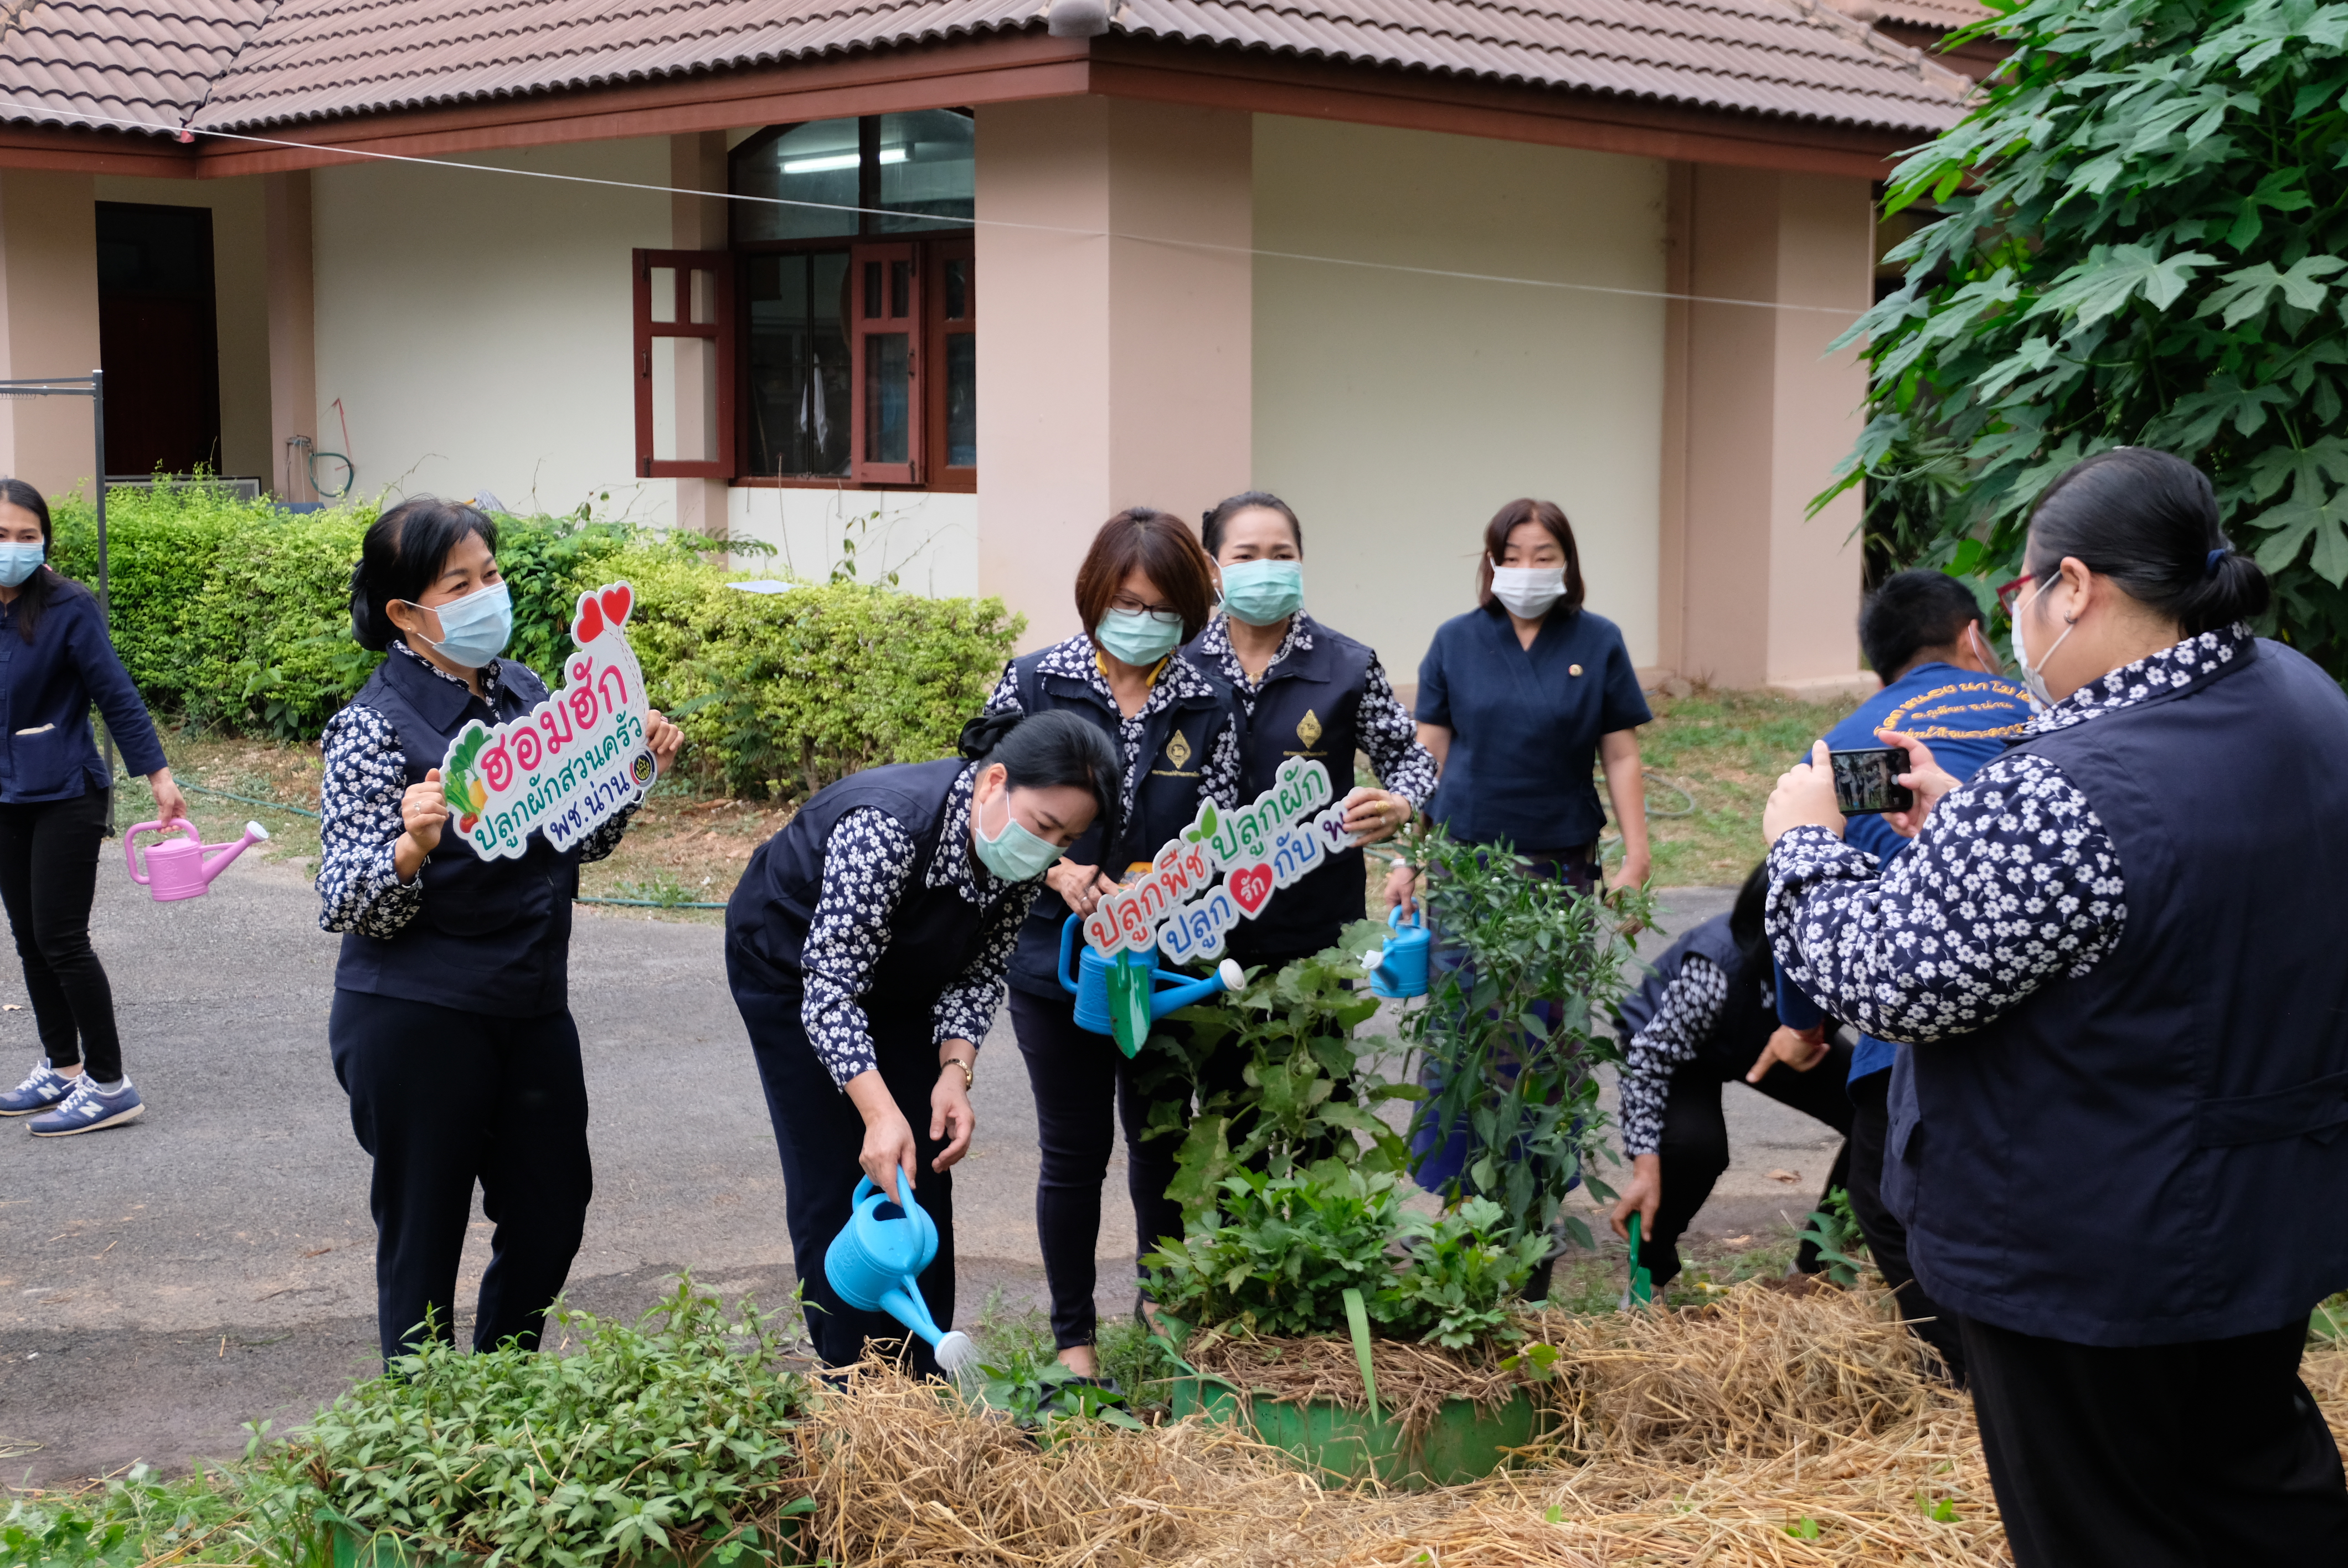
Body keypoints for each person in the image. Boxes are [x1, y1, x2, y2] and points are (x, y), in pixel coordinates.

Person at [1763, 447, 2348, 1566]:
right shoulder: (2302, 697)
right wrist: (1970, 830)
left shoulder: (2066, 789)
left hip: (2086, 1258)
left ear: (2072, 588)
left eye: (2019, 592)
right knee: (2262, 1503)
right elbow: (2173, 902)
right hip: (2263, 1221)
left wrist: (1800, 840)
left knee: (2103, 1531)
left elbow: (1883, 981)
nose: (2014, 621)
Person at [318, 497, 683, 1364]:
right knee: (424, 1234)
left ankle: (503, 1382)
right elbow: (343, 895)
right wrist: (409, 847)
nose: (488, 595)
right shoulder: (371, 728)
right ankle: (421, 1433)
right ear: (407, 614)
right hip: (414, 1012)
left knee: (553, 1210)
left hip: (528, 1000)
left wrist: (634, 770)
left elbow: (576, 835)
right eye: (461, 584)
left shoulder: (527, 694)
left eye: (491, 575)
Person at [725, 708, 1120, 1376]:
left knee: (924, 1157)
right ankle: (857, 1385)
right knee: (840, 1165)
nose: (1049, 848)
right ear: (994, 781)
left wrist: (953, 1073)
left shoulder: (1020, 856)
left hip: (901, 975)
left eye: (1067, 839)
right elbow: (830, 992)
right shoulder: (887, 826)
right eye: (1045, 825)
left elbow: (980, 969)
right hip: (796, 972)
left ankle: (923, 1376)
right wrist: (876, 1113)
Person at [1751, 569, 2031, 1383]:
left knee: (1887, 1204)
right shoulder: (2047, 714)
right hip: (2061, 1010)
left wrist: (1801, 1025)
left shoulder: (1850, 746)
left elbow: (1804, 881)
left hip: (1917, 1014)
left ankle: (1981, 1380)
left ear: (1880, 669)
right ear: (1975, 636)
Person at [983, 507, 1244, 1378]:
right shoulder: (1035, 681)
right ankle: (1074, 1343)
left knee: (1161, 1144)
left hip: (1165, 961)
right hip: (1056, 959)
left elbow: (1232, 821)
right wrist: (1053, 870)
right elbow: (978, 796)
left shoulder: (1211, 696)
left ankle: (1163, 1321)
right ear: (1096, 595)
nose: (1141, 618)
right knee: (1073, 1151)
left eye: (1161, 604)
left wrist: (1170, 883)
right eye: (1125, 600)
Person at [1388, 498, 1652, 1193]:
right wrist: (1408, 857)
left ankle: (1538, 1186)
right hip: (1467, 862)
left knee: (1549, 1026)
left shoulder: (1597, 641)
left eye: (1543, 557)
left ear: (1566, 563)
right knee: (1463, 1021)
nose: (1526, 570)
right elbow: (1429, 753)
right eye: (1511, 557)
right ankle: (1453, 1189)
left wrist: (1636, 857)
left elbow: (1620, 754)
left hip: (1559, 863)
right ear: (1491, 564)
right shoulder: (1455, 640)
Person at [0, 479, 188, 1135]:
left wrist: (158, 777)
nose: (13, 548)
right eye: (1, 536)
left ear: (44, 540)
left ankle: (110, 1083)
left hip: (67, 792)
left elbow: (117, 695)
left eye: (26, 536)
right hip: (5, 796)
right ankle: (63, 1067)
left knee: (61, 938)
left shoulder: (68, 607)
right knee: (27, 939)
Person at [1185, 490, 1436, 968]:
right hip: (1198, 929)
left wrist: (1400, 804)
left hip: (1316, 930)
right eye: (1246, 555)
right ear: (1213, 567)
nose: (1266, 568)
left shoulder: (1348, 666)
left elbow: (1412, 759)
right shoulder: (1181, 666)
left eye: (1282, 555)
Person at [1603, 865, 1855, 1291]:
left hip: (1775, 1035)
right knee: (1692, 1149)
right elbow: (1650, 1058)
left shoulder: (1849, 940)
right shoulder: (1713, 968)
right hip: (1675, 1049)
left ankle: (1819, 1271)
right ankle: (1649, 1277)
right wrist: (1645, 1166)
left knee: (1878, 1108)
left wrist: (1811, 1029)